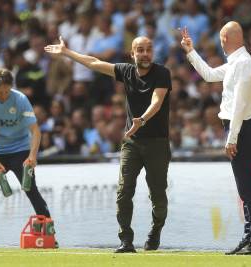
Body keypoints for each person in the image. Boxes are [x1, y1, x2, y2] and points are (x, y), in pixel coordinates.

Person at [45, 36, 172, 253]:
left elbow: (157, 102)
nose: (145, 54)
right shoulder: (126, 71)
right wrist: (67, 53)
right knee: (123, 192)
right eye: (140, 50)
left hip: (157, 144)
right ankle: (126, 240)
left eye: (148, 49)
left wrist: (141, 120)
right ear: (132, 55)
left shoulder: (162, 73)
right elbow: (94, 63)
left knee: (158, 195)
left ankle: (155, 230)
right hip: (132, 142)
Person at [181, 22, 251, 254]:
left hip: (242, 128)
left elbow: (239, 105)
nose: (220, 42)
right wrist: (190, 51)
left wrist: (231, 138)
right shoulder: (237, 63)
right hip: (241, 127)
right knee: (245, 186)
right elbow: (209, 75)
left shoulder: (243, 64)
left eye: (221, 37)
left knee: (245, 186)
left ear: (227, 38)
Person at [0, 68, 55, 248]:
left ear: (11, 87)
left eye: (6, 91)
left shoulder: (20, 100)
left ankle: (49, 236)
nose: (3, 96)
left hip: (20, 150)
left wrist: (32, 156)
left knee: (31, 190)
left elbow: (35, 131)